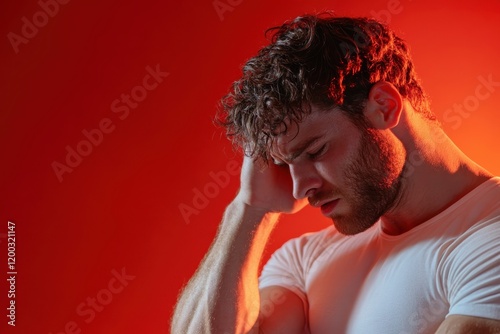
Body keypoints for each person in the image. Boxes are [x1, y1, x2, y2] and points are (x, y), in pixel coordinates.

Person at [171, 13, 500, 333]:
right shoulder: (305, 259)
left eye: (315, 151)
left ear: (384, 107)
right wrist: (249, 208)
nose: (300, 189)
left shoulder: (489, 235)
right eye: (286, 164)